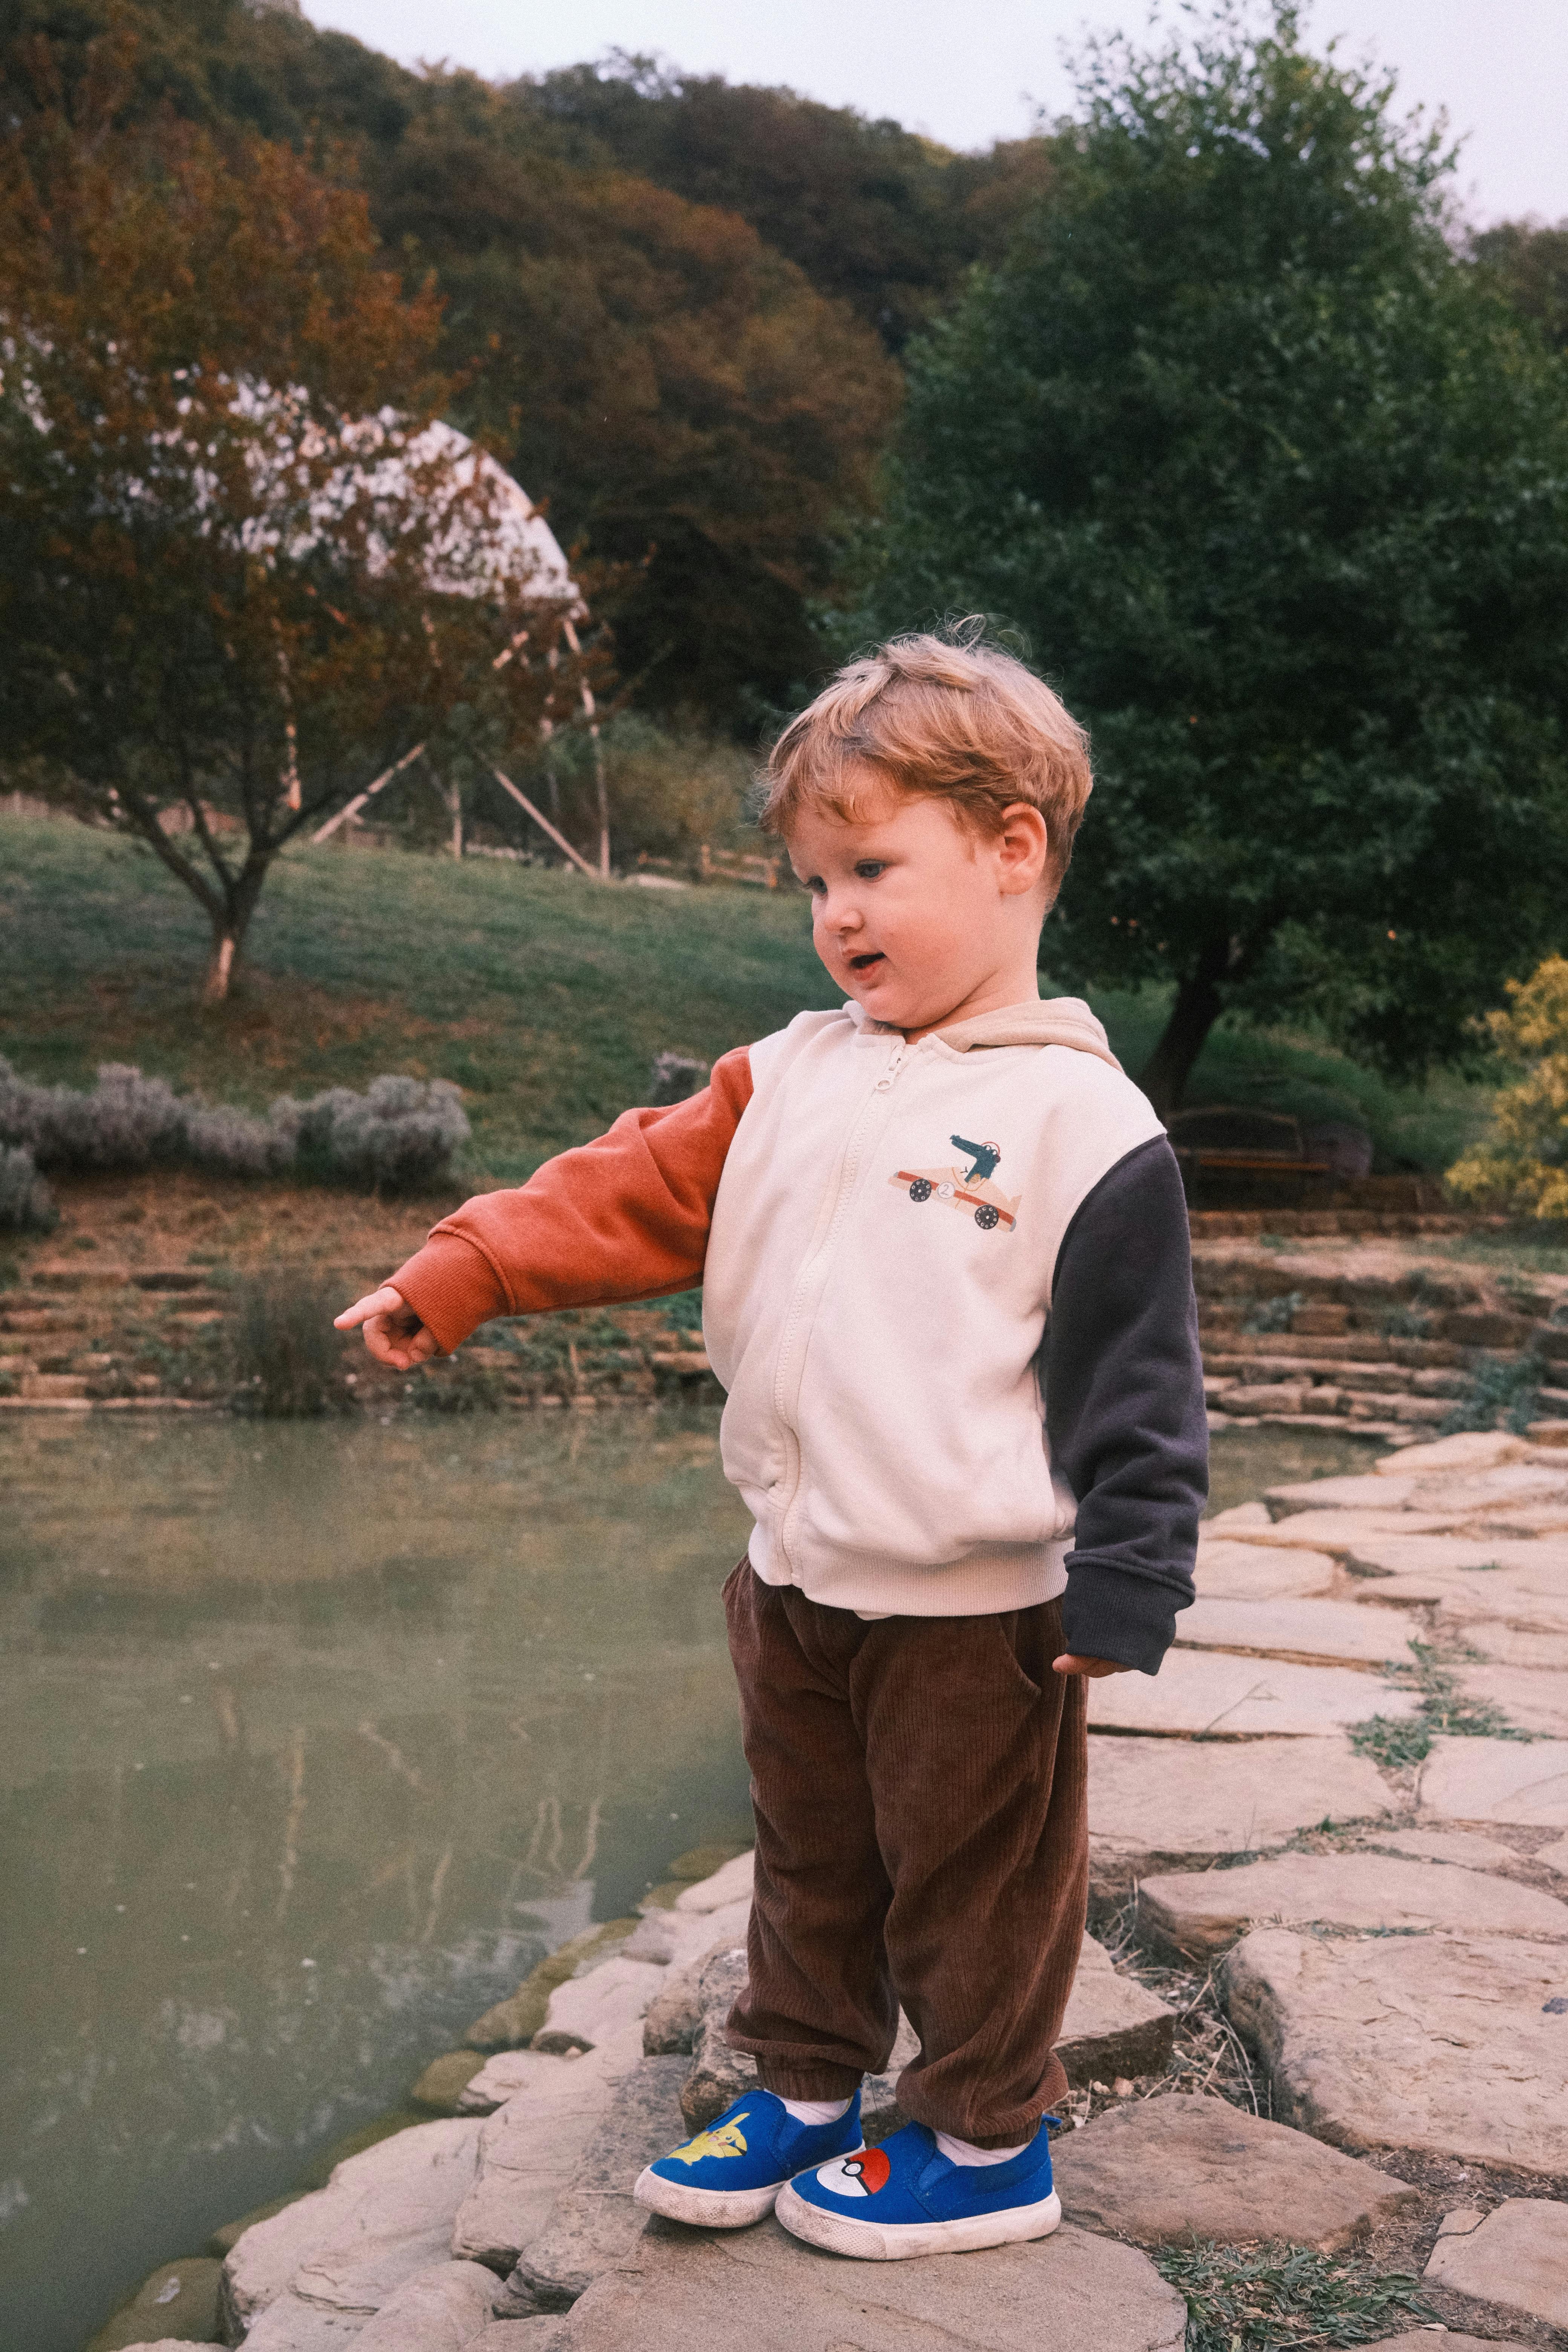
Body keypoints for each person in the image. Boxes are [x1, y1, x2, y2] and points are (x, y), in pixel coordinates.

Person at [336, 629, 1207, 2263]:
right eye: (814, 882)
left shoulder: (1083, 1125)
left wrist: (1133, 1573)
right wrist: (461, 1271)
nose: (836, 914)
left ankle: (982, 2137)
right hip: (794, 1582)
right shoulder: (787, 1077)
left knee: (974, 1881)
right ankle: (806, 2087)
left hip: (974, 1608)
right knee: (809, 1860)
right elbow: (620, 1189)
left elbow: (1138, 1380)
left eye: (872, 869)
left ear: (1013, 848)